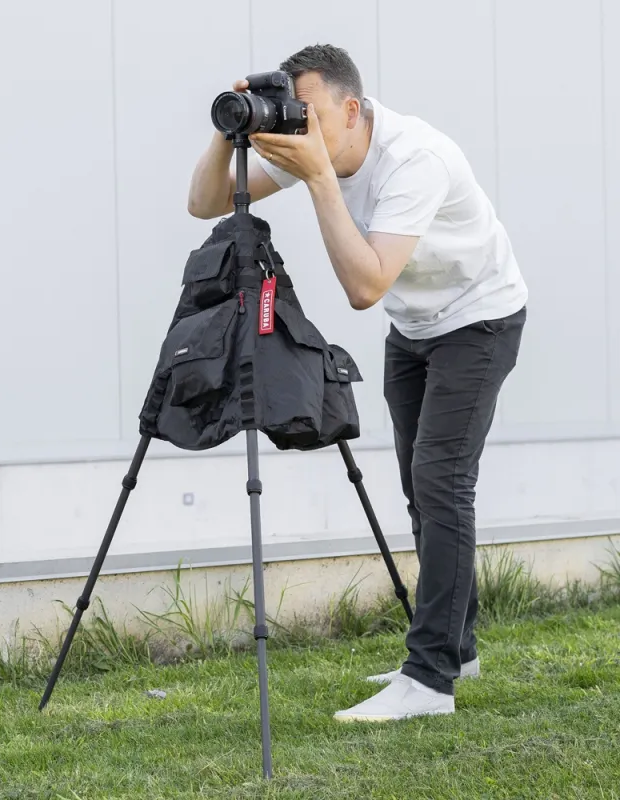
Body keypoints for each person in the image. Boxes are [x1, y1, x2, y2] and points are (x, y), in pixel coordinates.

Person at [187, 44, 528, 722]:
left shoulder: (414, 160)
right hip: (415, 326)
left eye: (309, 114)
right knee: (419, 487)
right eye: (292, 113)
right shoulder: (324, 140)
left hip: (479, 320)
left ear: (352, 109)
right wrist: (229, 130)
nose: (299, 127)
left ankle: (429, 681)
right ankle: (457, 648)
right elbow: (204, 203)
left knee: (441, 481)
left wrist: (317, 178)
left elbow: (365, 287)